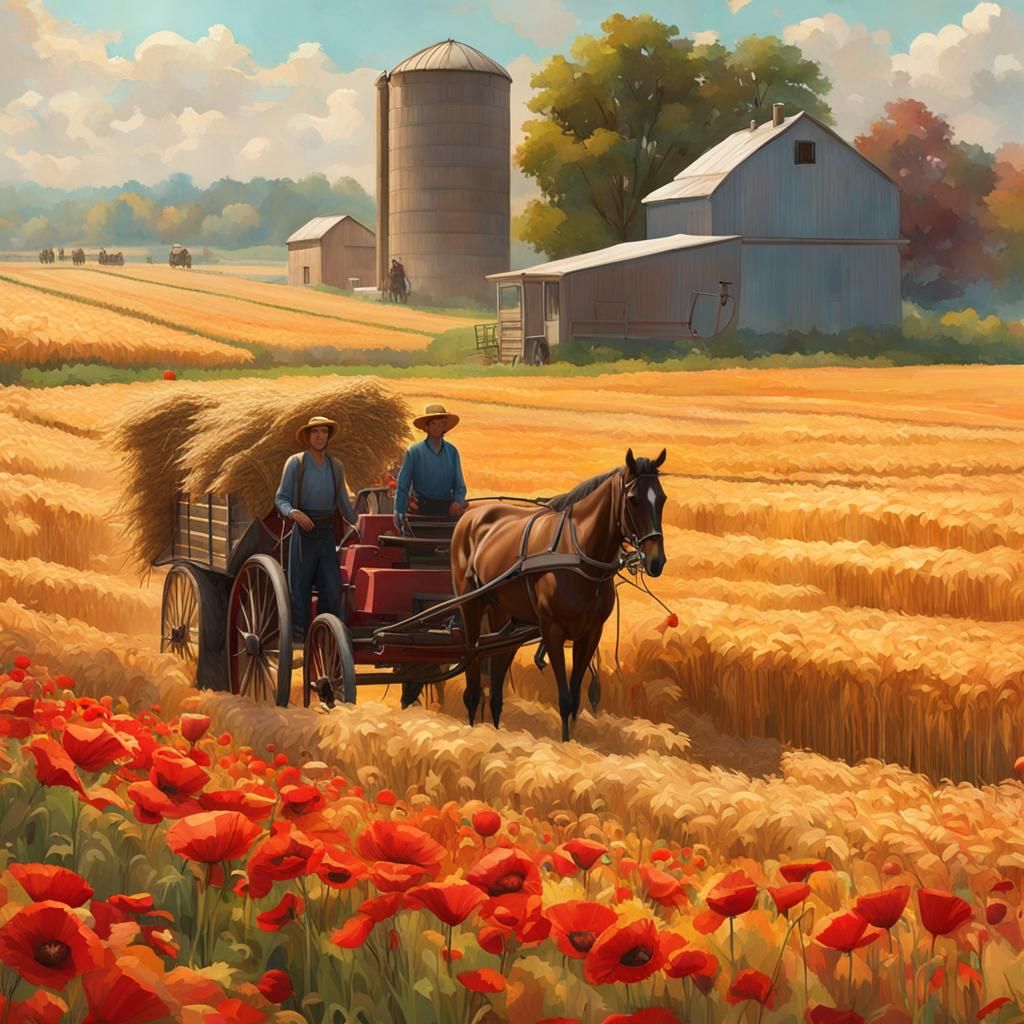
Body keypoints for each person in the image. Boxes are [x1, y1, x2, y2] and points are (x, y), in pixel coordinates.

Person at [275, 415, 356, 643]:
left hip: (326, 534)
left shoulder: (335, 466)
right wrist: (294, 513)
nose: (320, 436)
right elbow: (281, 498)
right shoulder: (296, 463)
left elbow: (344, 504)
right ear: (308, 437)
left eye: (324, 432)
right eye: (315, 432)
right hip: (303, 534)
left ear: (328, 436)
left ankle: (325, 636)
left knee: (332, 588)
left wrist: (358, 522)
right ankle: (299, 639)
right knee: (299, 588)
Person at [393, 403, 468, 531]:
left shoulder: (452, 452)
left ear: (445, 426)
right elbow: (403, 485)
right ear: (426, 427)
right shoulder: (414, 452)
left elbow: (459, 485)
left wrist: (458, 502)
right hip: (421, 510)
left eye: (441, 424)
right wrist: (399, 510)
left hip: (447, 511)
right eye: (433, 423)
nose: (437, 428)